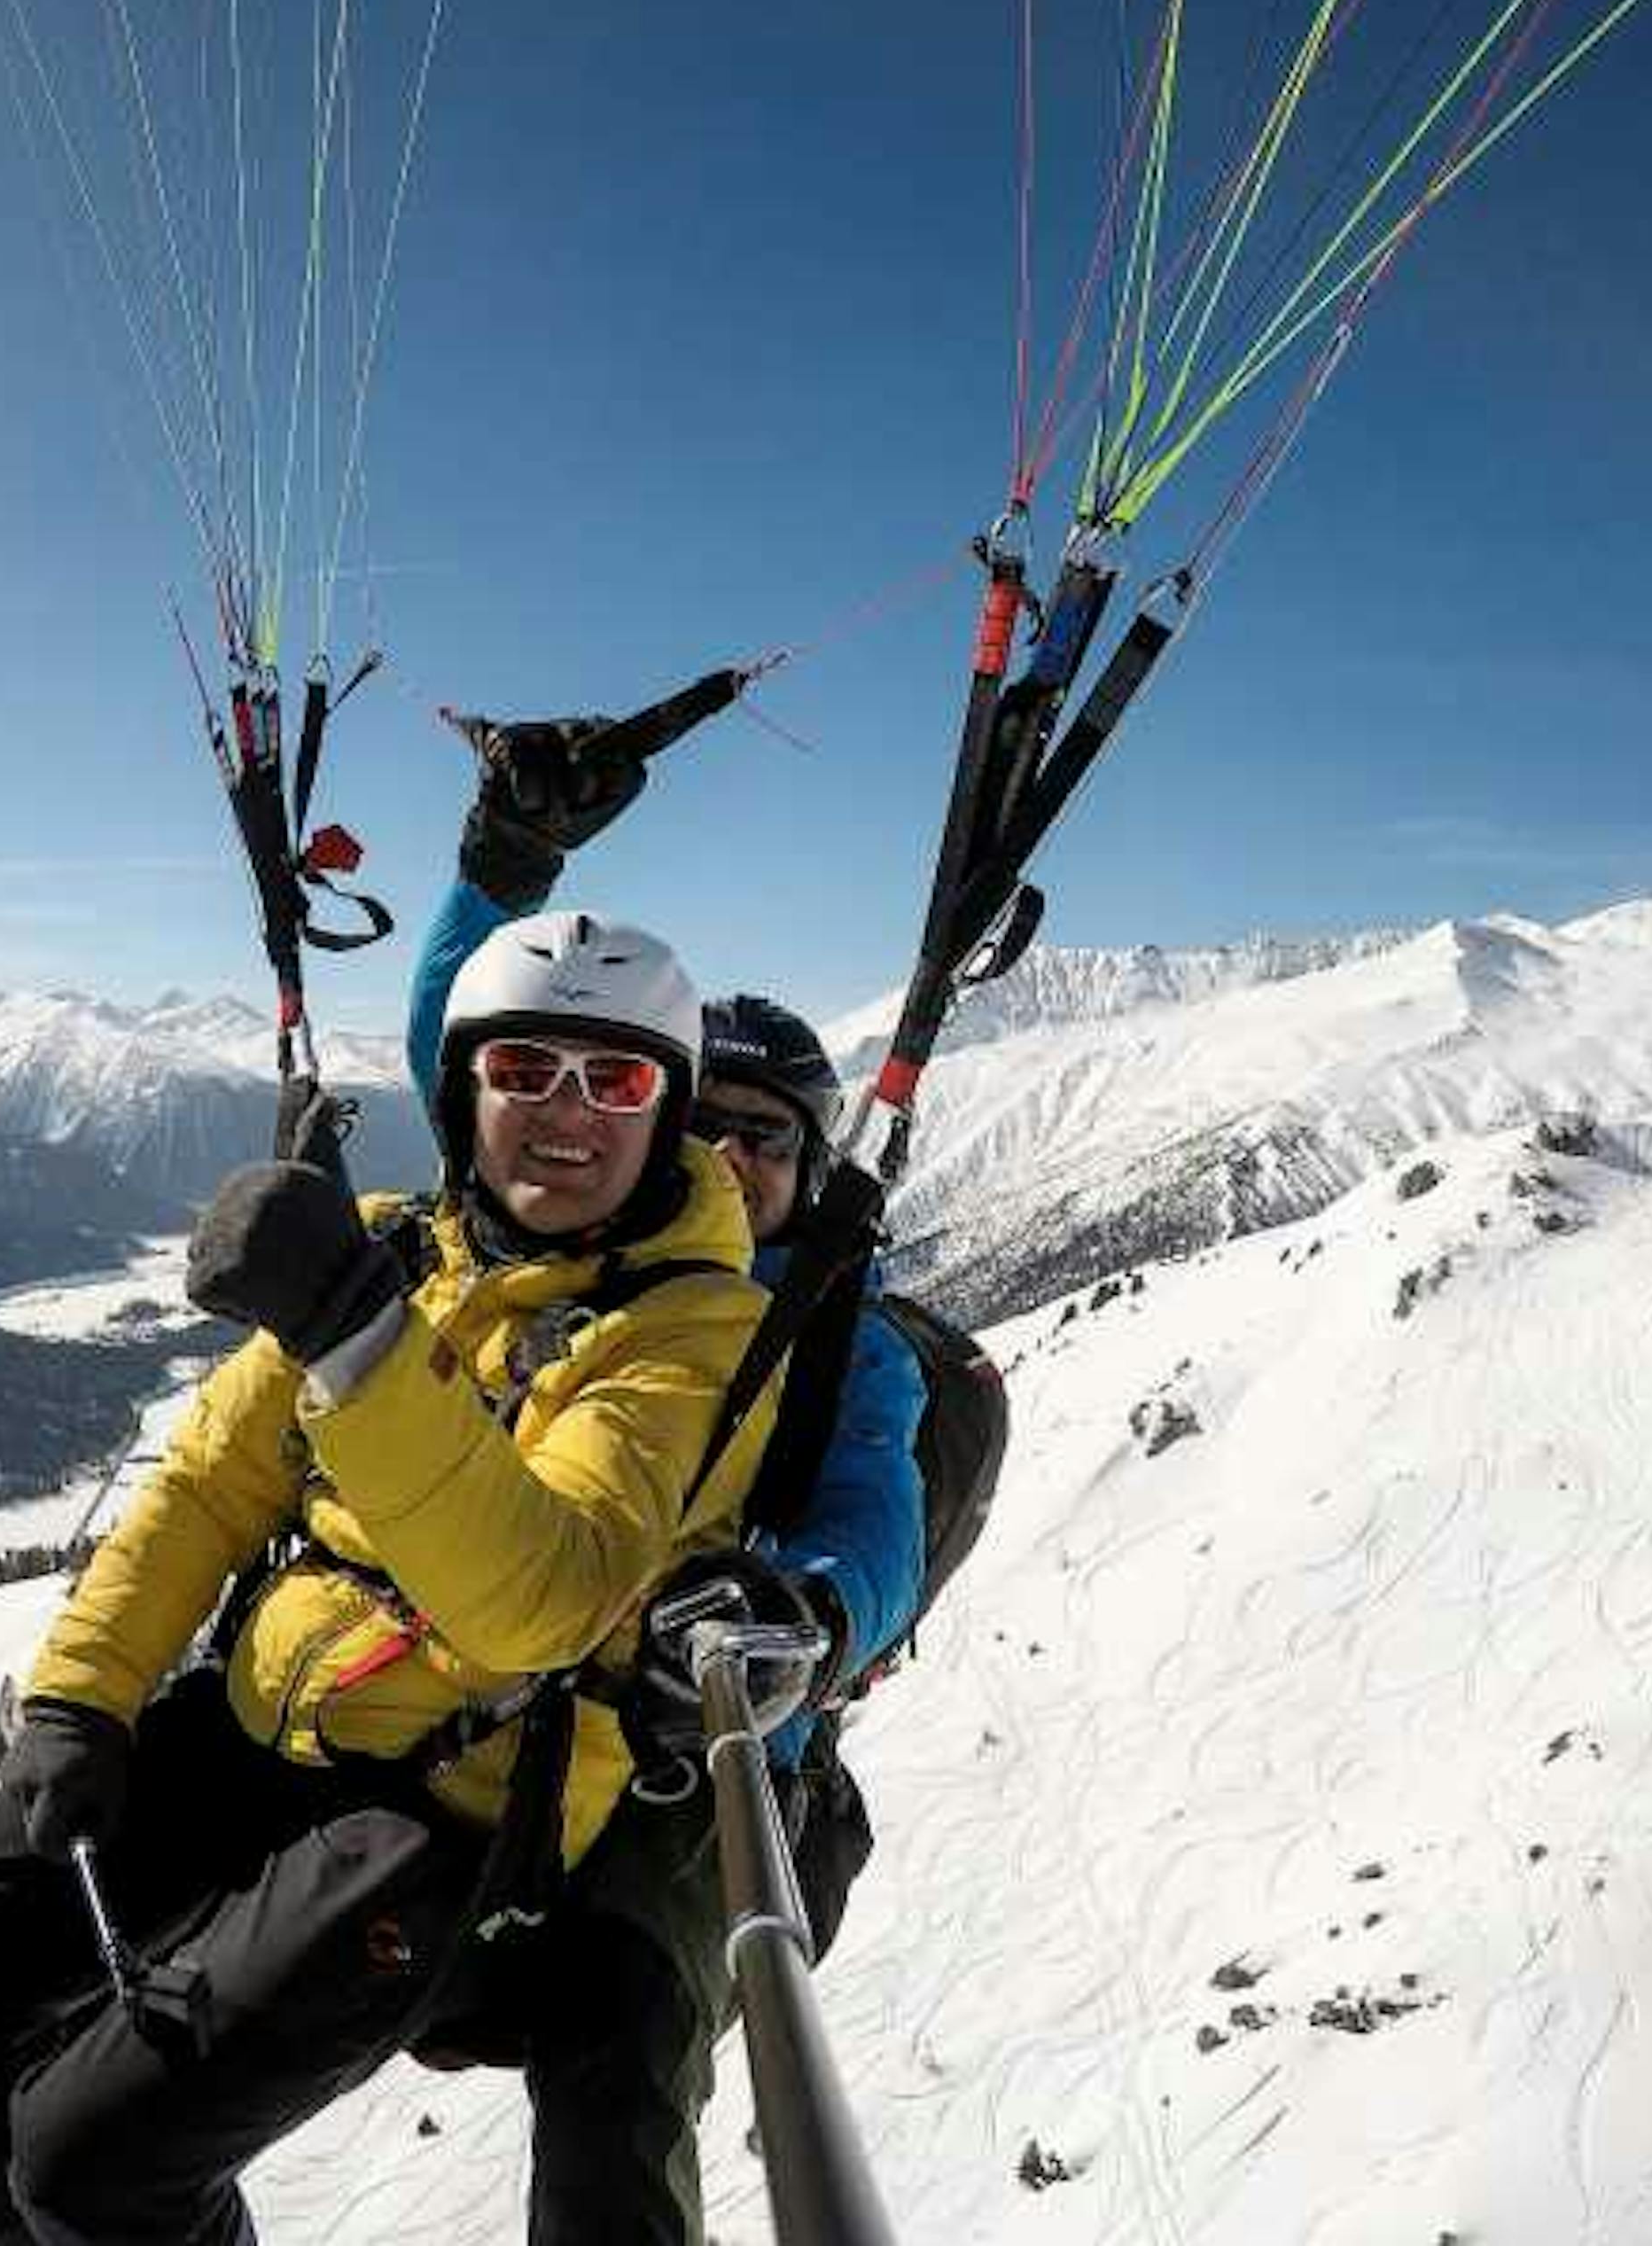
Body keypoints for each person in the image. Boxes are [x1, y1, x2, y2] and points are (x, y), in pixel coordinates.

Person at [0, 907, 778, 2246]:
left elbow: (547, 1604)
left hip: (445, 1802)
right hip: (258, 1724)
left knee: (95, 2167)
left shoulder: (691, 1330)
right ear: (463, 1093)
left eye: (614, 1078)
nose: (567, 1111)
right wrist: (83, 1695)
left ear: (666, 1108)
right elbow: (217, 1479)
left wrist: (357, 1335)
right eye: (524, 1071)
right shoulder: (401, 1245)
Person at [406, 711, 931, 2246]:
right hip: (508, 1703)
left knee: (620, 2069)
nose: (730, 1158)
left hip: (695, 1762)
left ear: (814, 1164)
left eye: (766, 1137)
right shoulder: (587, 1265)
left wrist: (799, 1613)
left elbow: (875, 1525)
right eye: (701, 1124)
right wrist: (503, 868)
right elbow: (466, 1042)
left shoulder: (843, 1344)